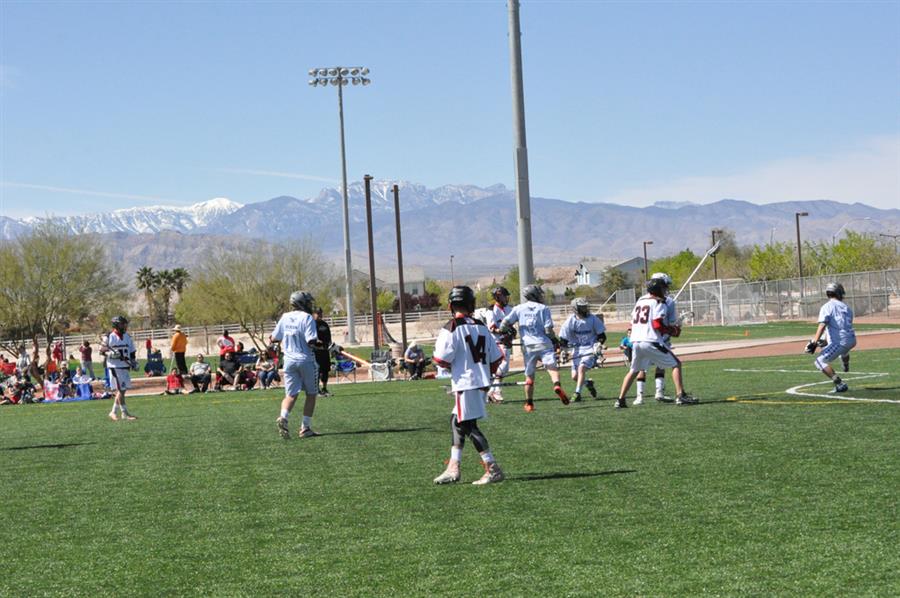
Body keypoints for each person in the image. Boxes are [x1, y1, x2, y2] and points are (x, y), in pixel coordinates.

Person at [432, 286, 505, 485]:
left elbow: (441, 359)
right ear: (471, 304)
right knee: (456, 421)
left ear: (451, 305)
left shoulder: (451, 327)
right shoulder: (481, 326)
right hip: (479, 382)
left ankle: (492, 468)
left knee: (467, 425)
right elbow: (497, 358)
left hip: (466, 382)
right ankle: (453, 467)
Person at [615, 279, 695, 408]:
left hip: (636, 341)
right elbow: (657, 324)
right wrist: (672, 330)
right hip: (650, 340)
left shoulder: (640, 301)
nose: (665, 291)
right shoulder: (659, 302)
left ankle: (620, 400)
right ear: (658, 290)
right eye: (663, 288)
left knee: (634, 370)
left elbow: (633, 322)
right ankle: (680, 396)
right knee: (676, 364)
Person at [499, 284, 569, 412]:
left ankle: (529, 404)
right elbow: (548, 329)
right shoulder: (543, 308)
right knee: (552, 368)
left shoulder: (518, 308)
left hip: (528, 346)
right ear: (534, 295)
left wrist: (504, 331)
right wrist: (555, 340)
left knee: (530, 377)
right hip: (544, 343)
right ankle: (556, 385)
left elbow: (505, 323)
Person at [273, 290, 322, 439]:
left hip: (288, 361)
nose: (310, 305)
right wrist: (326, 345)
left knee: (291, 394)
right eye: (308, 302)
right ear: (302, 303)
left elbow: (274, 338)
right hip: (305, 360)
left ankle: (283, 417)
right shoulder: (307, 318)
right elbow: (311, 341)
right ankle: (305, 428)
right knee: (311, 394)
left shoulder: (285, 317)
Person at [634, 272, 679, 405]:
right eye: (665, 285)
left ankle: (639, 396)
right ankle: (660, 392)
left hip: (640, 337)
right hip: (657, 337)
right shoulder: (666, 301)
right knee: (664, 364)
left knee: (641, 367)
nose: (667, 288)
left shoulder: (641, 299)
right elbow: (668, 322)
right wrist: (673, 329)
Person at [805, 282, 856, 393]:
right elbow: (839, 326)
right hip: (851, 339)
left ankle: (840, 384)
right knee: (844, 350)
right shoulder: (846, 307)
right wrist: (825, 340)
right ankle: (845, 364)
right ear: (838, 293)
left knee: (819, 361)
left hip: (840, 342)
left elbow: (822, 325)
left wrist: (815, 342)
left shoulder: (827, 307)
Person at [559, 297, 606, 402]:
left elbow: (602, 335)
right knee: (575, 376)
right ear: (575, 308)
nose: (585, 309)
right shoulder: (570, 321)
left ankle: (577, 394)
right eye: (582, 307)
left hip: (590, 349)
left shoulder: (593, 319)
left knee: (581, 368)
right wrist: (564, 351)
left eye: (585, 306)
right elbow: (563, 339)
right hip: (577, 350)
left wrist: (598, 344)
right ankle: (588, 383)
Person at [100, 316, 138, 420]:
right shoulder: (109, 336)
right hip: (115, 366)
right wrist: (110, 354)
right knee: (121, 390)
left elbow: (132, 352)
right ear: (116, 325)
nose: (125, 326)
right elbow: (102, 350)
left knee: (123, 390)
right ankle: (124, 413)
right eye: (122, 324)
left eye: (125, 324)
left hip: (125, 366)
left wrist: (134, 362)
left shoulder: (127, 336)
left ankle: (113, 412)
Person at [481, 286, 515, 403]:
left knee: (504, 367)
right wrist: (504, 332)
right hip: (496, 341)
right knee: (503, 366)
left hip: (507, 341)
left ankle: (491, 391)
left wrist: (512, 332)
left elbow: (512, 323)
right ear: (498, 296)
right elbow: (492, 328)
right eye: (504, 296)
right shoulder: (491, 310)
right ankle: (496, 390)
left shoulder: (509, 309)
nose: (506, 298)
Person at [312, 307, 333, 396]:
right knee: (317, 370)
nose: (320, 315)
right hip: (315, 352)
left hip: (325, 351)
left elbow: (329, 337)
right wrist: (316, 342)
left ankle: (324, 388)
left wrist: (330, 346)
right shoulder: (311, 324)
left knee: (325, 370)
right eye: (318, 313)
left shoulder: (324, 324)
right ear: (313, 314)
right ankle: (316, 390)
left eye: (321, 313)